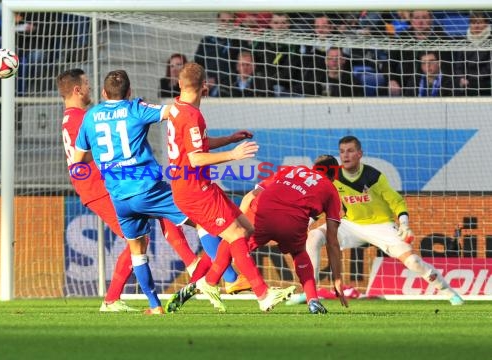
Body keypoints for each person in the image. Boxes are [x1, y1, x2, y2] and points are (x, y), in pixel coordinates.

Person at [59, 69, 201, 314]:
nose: (90, 87)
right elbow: (79, 159)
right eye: (86, 83)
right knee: (140, 239)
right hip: (100, 186)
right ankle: (113, 298)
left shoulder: (85, 116)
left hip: (108, 184)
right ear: (77, 90)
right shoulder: (81, 119)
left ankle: (192, 267)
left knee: (155, 219)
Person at [164, 62, 296, 313]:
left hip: (198, 185)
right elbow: (196, 158)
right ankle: (263, 294)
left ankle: (210, 281)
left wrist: (229, 139)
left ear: (180, 84)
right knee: (235, 235)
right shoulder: (193, 115)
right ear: (205, 87)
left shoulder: (177, 109)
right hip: (194, 189)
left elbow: (197, 145)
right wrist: (233, 154)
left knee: (246, 229)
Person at [303, 136, 464, 306]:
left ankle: (450, 293)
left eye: (350, 151)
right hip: (350, 224)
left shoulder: (374, 176)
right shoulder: (334, 177)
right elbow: (322, 203)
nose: (345, 155)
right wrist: (306, 223)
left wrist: (404, 223)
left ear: (359, 154)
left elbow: (397, 201)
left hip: (381, 226)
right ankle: (311, 295)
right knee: (313, 237)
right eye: (342, 152)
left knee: (414, 262)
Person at [239, 155, 349, 314]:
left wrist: (238, 228)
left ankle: (209, 280)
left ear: (313, 168)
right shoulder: (330, 190)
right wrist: (337, 279)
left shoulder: (292, 170)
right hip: (292, 224)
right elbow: (332, 241)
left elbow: (249, 196)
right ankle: (313, 300)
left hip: (263, 215)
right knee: (299, 253)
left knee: (233, 244)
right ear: (335, 175)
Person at [454, 11, 492, 96]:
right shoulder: (464, 41)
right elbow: (459, 65)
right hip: (467, 82)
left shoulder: (490, 40)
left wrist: (469, 78)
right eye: (473, 22)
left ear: (487, 24)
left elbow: (489, 68)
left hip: (485, 81)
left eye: (480, 22)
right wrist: (462, 78)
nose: (476, 26)